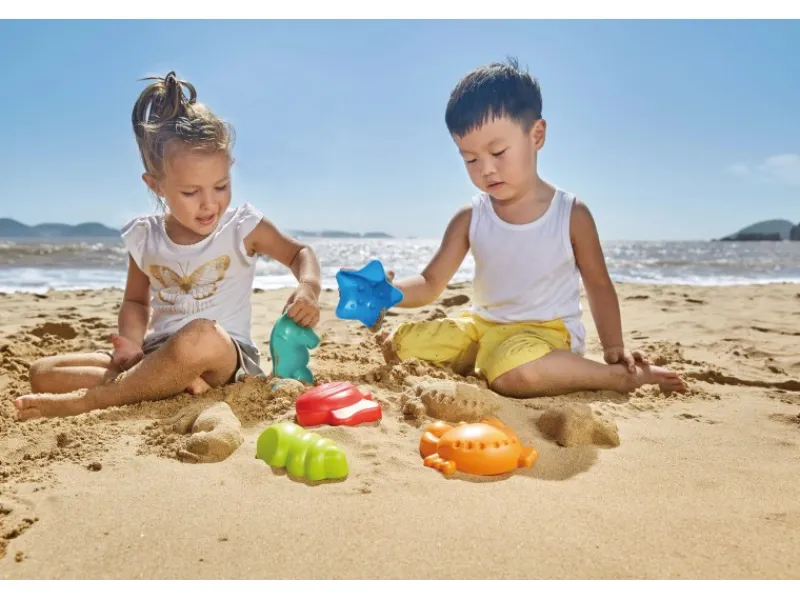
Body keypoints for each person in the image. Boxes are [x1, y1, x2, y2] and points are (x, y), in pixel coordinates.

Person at [15, 71, 321, 420]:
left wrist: (308, 287)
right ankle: (157, 382)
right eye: (191, 192)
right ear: (156, 185)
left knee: (199, 335)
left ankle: (97, 400)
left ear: (230, 168)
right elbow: (134, 300)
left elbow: (299, 254)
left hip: (222, 356)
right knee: (43, 373)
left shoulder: (243, 227)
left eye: (220, 186)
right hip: (156, 356)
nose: (209, 204)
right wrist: (131, 342)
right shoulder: (146, 237)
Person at [380, 59, 686, 398]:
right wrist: (389, 293)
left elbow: (598, 283)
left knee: (517, 376)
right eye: (470, 159)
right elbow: (431, 283)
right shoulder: (470, 217)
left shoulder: (569, 213)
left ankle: (616, 377)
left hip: (544, 336)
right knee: (400, 344)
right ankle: (485, 359)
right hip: (481, 327)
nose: (486, 169)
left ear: (536, 135)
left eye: (497, 151)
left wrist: (614, 346)